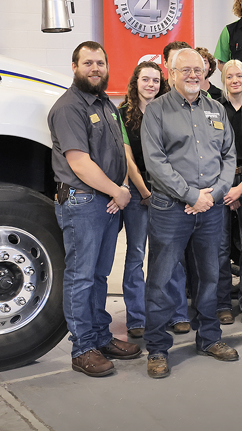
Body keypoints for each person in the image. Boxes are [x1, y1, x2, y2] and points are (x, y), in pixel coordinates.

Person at [142, 48, 239, 378]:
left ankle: (209, 338)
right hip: (170, 208)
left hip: (210, 209)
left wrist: (217, 192)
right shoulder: (156, 111)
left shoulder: (217, 110)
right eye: (186, 70)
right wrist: (190, 195)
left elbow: (229, 157)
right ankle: (157, 348)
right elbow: (155, 162)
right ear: (171, 74)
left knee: (210, 276)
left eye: (198, 69)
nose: (194, 75)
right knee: (161, 279)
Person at [48, 41, 142, 377]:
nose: (95, 69)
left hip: (107, 202)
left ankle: (101, 336)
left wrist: (122, 189)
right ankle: (83, 348)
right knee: (81, 277)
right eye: (88, 63)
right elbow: (80, 163)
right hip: (83, 201)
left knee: (99, 275)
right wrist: (118, 190)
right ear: (74, 67)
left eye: (100, 63)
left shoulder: (107, 105)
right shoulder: (69, 107)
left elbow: (120, 154)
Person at [118, 61, 191, 339]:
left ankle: (178, 313)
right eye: (145, 79)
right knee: (136, 254)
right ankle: (137, 318)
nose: (151, 85)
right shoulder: (122, 114)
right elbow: (127, 159)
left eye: (155, 81)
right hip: (139, 192)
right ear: (135, 82)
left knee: (171, 253)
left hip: (168, 191)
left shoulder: (169, 111)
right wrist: (145, 192)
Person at [216, 60, 242, 325]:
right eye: (229, 76)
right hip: (220, 182)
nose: (235, 80)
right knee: (219, 247)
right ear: (224, 80)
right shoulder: (216, 110)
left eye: (239, 75)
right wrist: (227, 188)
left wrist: (240, 188)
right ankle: (221, 305)